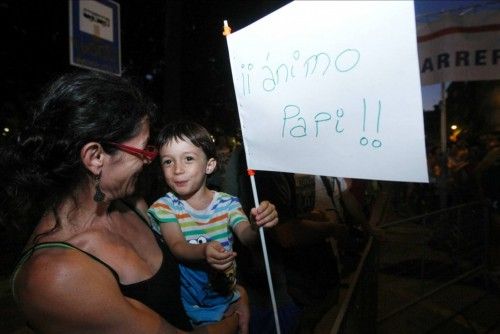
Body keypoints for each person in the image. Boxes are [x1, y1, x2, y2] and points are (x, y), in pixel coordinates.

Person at [2, 71, 278, 333]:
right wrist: (232, 321)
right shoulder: (54, 276)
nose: (149, 160)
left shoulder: (133, 205)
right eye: (142, 149)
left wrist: (233, 293)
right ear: (95, 157)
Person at [147, 121, 278, 328]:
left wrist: (257, 225)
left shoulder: (227, 203)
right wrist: (205, 250)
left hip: (227, 300)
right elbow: (177, 246)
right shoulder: (165, 207)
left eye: (188, 159)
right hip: (186, 309)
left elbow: (246, 236)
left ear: (210, 165)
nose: (177, 169)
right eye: (168, 162)